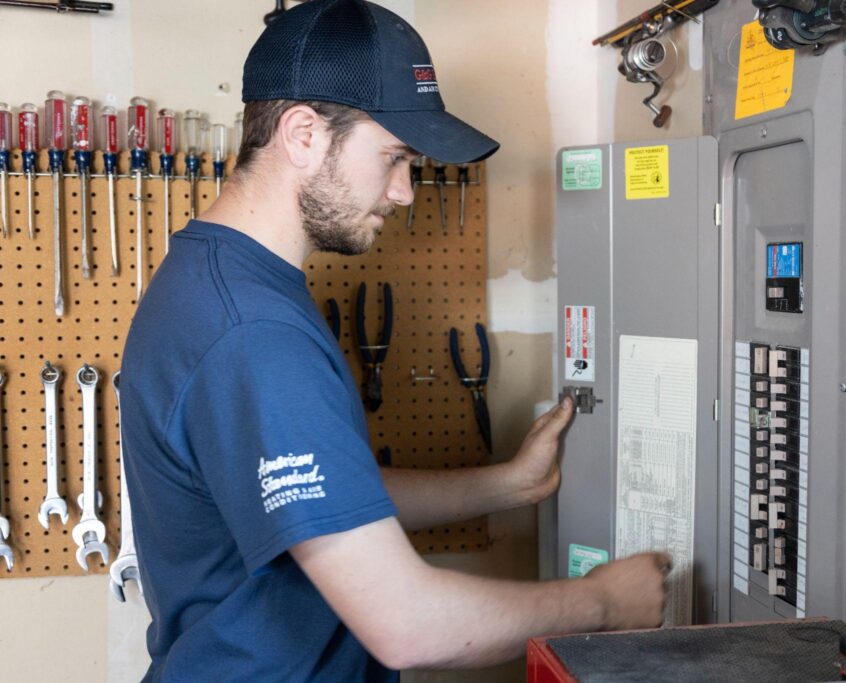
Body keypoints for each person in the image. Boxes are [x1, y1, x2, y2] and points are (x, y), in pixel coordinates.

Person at [120, 0, 670, 680]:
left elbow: (323, 497)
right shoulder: (254, 333)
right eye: (392, 157)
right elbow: (406, 625)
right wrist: (605, 602)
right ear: (302, 134)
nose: (405, 191)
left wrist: (504, 486)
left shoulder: (214, 279)